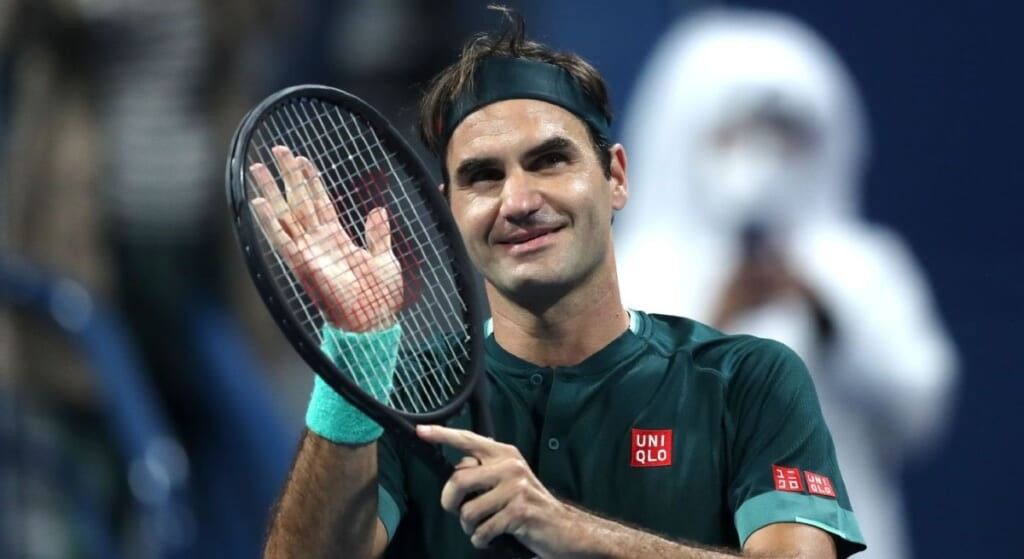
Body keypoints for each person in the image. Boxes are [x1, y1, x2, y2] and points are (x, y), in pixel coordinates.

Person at [260, 8, 866, 559]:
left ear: (616, 178)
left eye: (550, 160)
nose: (519, 201)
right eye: (482, 177)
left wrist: (563, 527)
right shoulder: (401, 395)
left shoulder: (749, 380)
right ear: (450, 210)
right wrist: (357, 350)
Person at [614, 9, 958, 559]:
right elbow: (620, 426)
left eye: (784, 133)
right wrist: (717, 321)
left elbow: (920, 407)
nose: (761, 156)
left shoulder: (862, 266)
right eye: (734, 131)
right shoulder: (635, 269)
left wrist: (826, 317)